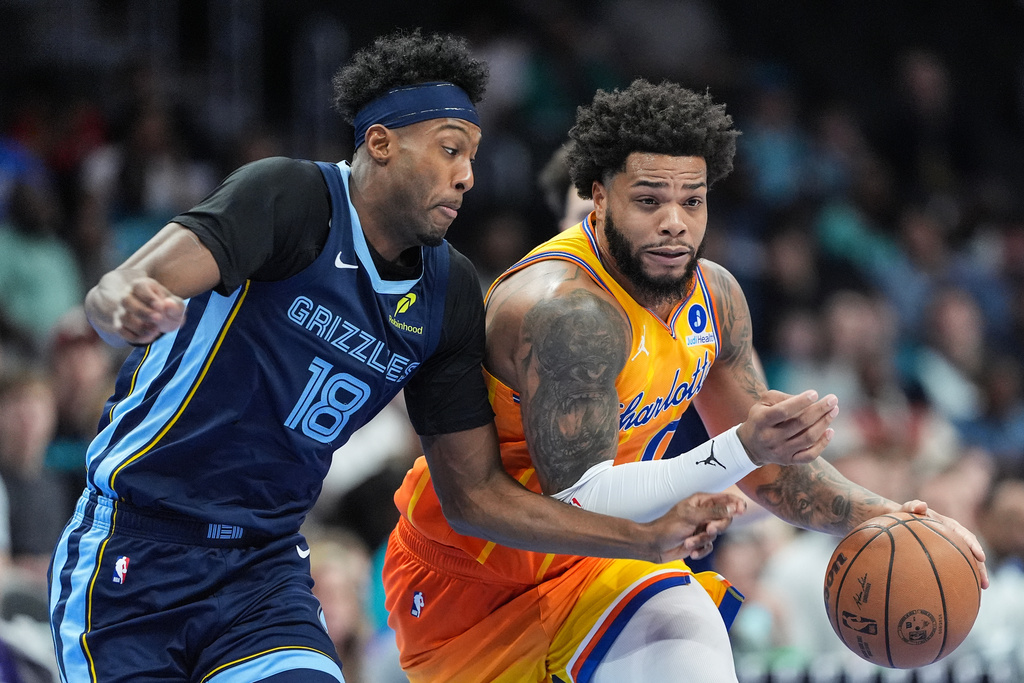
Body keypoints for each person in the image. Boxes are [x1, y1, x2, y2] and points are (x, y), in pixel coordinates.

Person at [47, 32, 755, 683]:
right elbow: (118, 288)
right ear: (380, 143)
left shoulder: (449, 291)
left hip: (263, 566)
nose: (467, 175)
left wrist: (640, 538)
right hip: (138, 543)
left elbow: (475, 497)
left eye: (472, 155)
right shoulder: (292, 198)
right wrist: (123, 307)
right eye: (449, 149)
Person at [382, 79, 988, 682]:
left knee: (690, 632)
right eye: (649, 201)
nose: (674, 223)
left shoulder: (715, 296)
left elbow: (771, 470)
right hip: (469, 583)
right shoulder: (566, 310)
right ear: (600, 198)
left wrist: (891, 517)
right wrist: (741, 447)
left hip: (605, 561)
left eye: (691, 201)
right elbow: (581, 499)